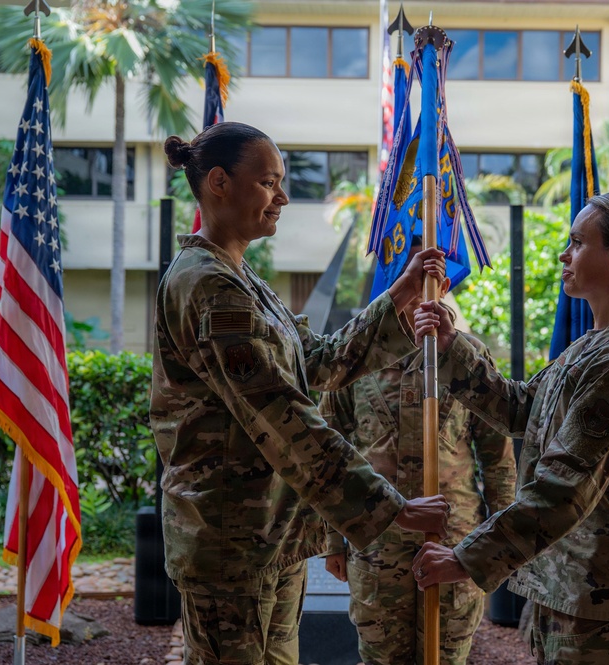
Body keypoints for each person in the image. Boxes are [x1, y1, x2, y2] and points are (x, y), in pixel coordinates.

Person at [150, 121, 449, 665]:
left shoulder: (243, 281)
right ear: (218, 182)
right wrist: (389, 506)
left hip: (269, 535)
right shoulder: (210, 286)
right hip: (232, 544)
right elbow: (281, 414)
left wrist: (397, 301)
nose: (282, 197)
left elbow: (313, 365)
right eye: (269, 182)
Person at [410, 191, 609, 665]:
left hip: (607, 599)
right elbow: (521, 409)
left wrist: (467, 558)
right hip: (571, 587)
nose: (565, 254)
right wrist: (451, 346)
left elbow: (564, 486)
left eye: (578, 242)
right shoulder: (594, 348)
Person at [319, 239, 517, 665]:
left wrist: (500, 545)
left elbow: (497, 457)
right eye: (400, 274)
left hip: (452, 539)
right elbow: (330, 449)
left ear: (443, 285)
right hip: (375, 541)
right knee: (381, 657)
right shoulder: (355, 358)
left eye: (426, 278)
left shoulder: (467, 355)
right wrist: (331, 539)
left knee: (445, 657)